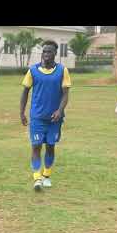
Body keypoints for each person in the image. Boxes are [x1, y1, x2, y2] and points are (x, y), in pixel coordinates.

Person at [20, 40, 71, 191]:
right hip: (37, 117)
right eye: (44, 51)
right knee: (36, 146)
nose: (46, 54)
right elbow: (25, 93)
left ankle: (47, 175)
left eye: (49, 51)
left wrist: (59, 110)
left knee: (50, 146)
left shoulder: (62, 70)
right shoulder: (33, 70)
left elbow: (66, 94)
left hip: (54, 118)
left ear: (55, 53)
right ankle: (37, 178)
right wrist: (21, 112)